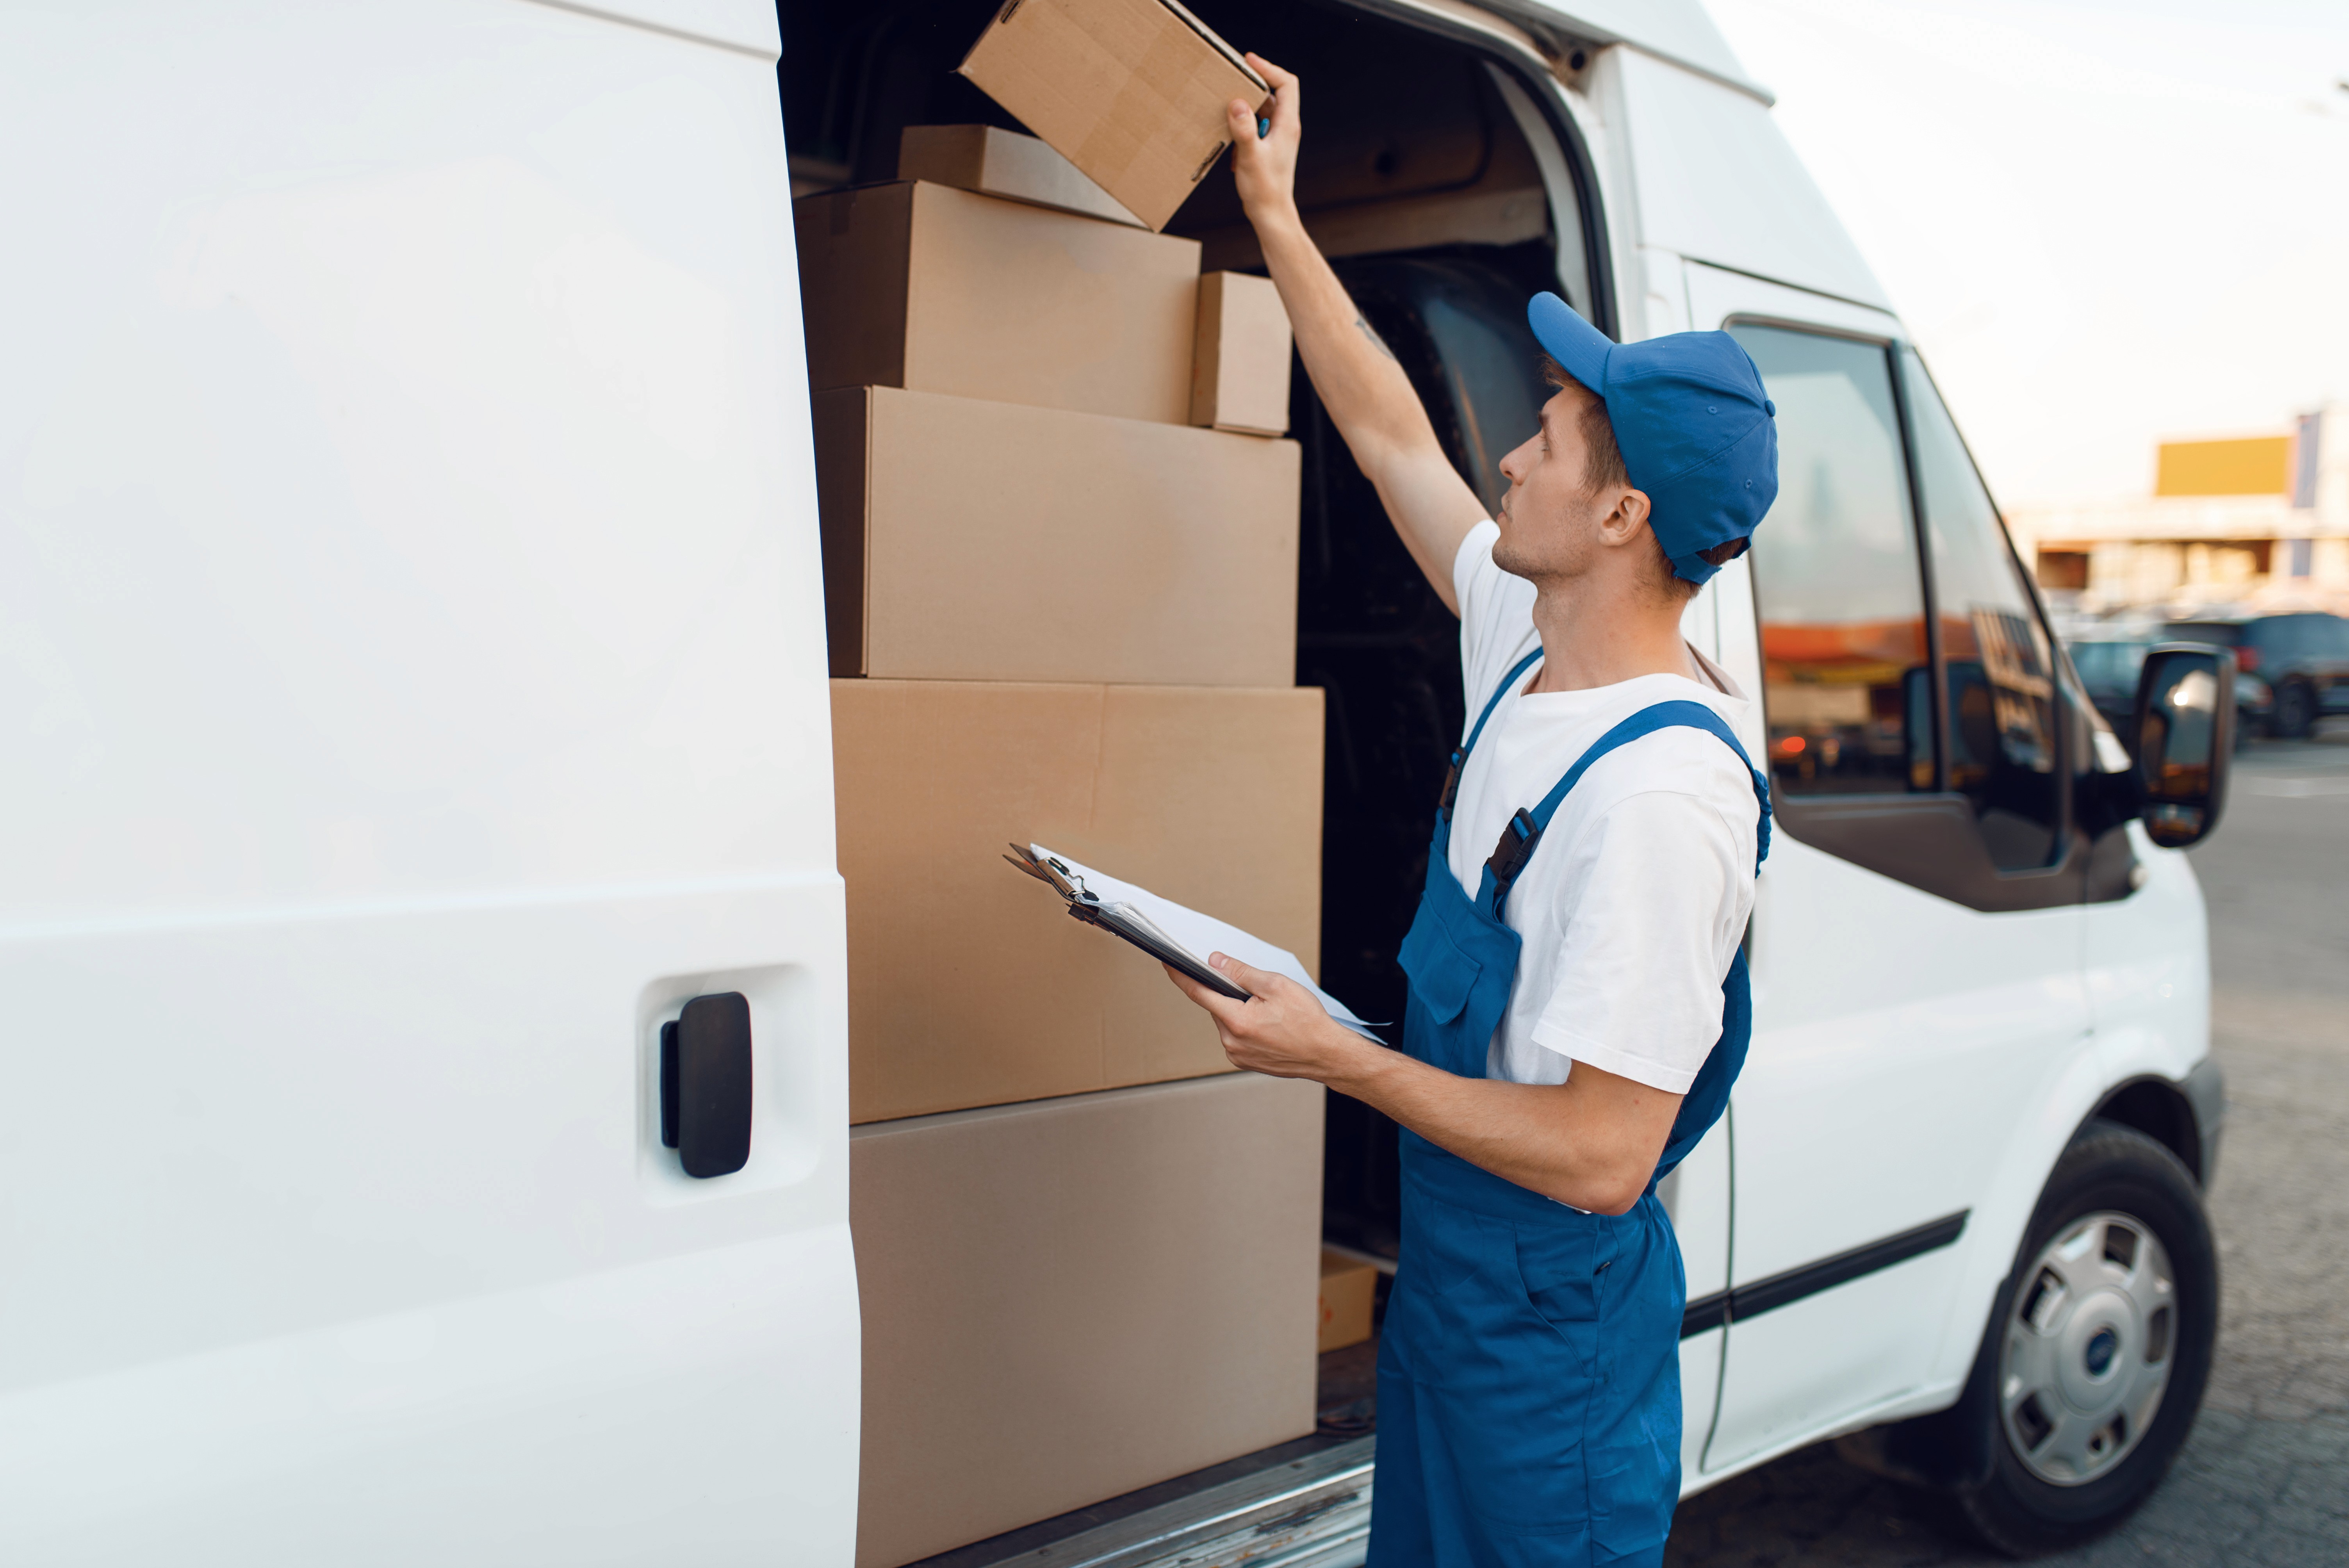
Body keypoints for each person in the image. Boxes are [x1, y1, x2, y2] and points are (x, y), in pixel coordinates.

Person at [1160, 55, 1780, 1568]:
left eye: (1552, 431)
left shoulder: (1656, 799)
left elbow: (1596, 1156)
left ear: (1623, 517)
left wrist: (1335, 1057)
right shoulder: (1523, 640)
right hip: (1451, 1283)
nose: (1509, 447)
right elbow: (1387, 436)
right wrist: (1274, 208)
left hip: (1546, 1335)